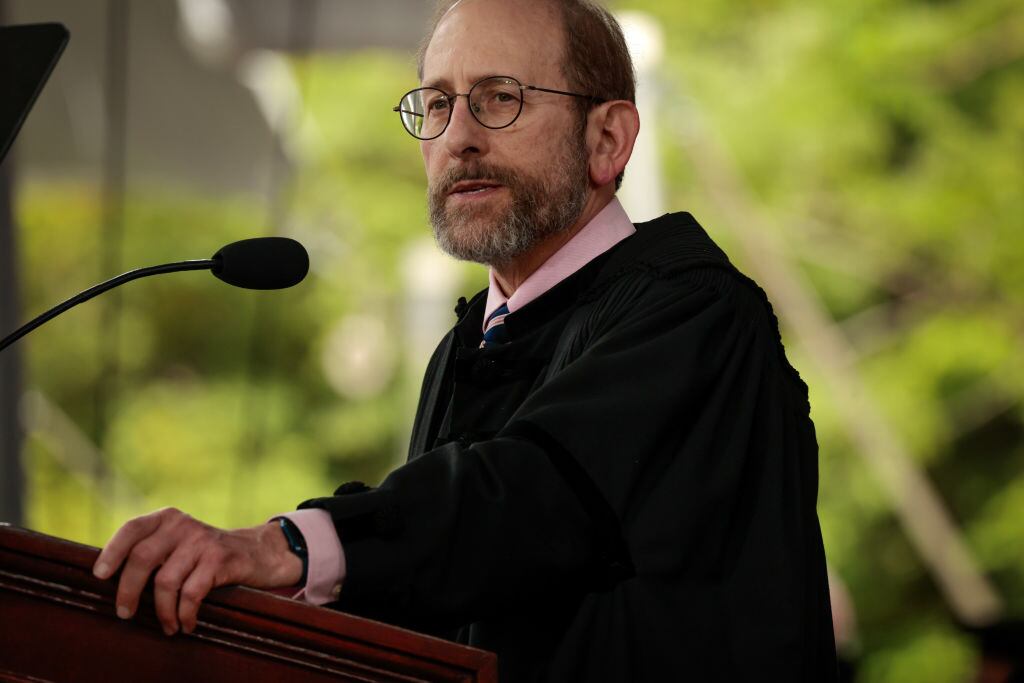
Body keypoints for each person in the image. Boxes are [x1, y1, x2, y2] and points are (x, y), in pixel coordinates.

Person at [94, 0, 838, 679]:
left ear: (607, 137)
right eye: (439, 104)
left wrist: (280, 546)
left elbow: (528, 500)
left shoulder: (695, 312)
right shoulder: (469, 345)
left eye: (500, 99)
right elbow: (444, 588)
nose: (458, 138)